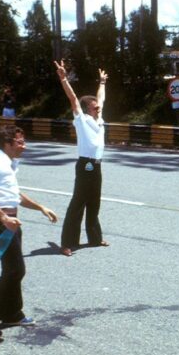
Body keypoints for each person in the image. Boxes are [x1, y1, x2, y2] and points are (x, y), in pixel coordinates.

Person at [0, 125, 58, 339]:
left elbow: (15, 195)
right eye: (20, 142)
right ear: (7, 143)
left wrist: (41, 208)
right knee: (14, 270)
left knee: (13, 269)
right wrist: (4, 218)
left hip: (11, 221)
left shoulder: (9, 164)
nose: (24, 145)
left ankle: (11, 312)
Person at [54, 60, 110, 256]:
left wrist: (102, 82)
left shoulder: (99, 119)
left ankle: (95, 238)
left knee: (94, 202)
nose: (98, 108)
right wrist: (64, 78)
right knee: (78, 203)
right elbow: (73, 98)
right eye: (95, 108)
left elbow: (101, 99)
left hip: (97, 166)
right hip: (85, 164)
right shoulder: (82, 120)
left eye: (98, 107)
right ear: (87, 110)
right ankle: (67, 243)